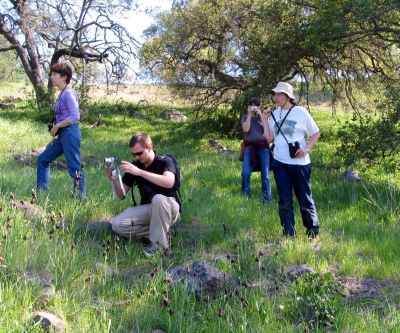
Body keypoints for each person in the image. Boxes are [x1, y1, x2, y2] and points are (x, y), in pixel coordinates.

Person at [104, 132, 181, 257]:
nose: (137, 156)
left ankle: (159, 248)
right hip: (149, 209)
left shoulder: (165, 161)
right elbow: (120, 195)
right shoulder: (136, 166)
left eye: (139, 153)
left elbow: (169, 182)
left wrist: (140, 172)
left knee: (158, 199)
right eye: (133, 154)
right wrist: (113, 180)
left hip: (169, 207)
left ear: (149, 148)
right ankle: (162, 233)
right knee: (117, 225)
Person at [262, 82, 320, 240]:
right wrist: (265, 120)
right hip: (280, 163)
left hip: (299, 165)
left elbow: (315, 133)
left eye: (279, 94)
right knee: (284, 201)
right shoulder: (274, 114)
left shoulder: (300, 112)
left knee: (305, 200)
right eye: (274, 94)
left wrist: (306, 149)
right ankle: (289, 234)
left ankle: (313, 235)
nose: (276, 97)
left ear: (288, 96)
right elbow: (269, 139)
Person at [36, 63, 86, 199]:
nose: (51, 77)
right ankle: (41, 194)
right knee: (43, 159)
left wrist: (57, 126)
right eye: (51, 74)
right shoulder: (62, 93)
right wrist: (57, 135)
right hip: (63, 134)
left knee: (74, 168)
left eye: (54, 75)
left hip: (70, 132)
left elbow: (75, 116)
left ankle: (80, 198)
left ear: (64, 77)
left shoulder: (69, 93)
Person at [241, 97, 272, 204]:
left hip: (263, 148)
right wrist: (249, 115)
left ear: (259, 106)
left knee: (265, 175)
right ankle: (244, 197)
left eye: (256, 105)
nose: (254, 107)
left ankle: (267, 200)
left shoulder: (263, 118)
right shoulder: (245, 117)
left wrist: (261, 116)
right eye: (251, 105)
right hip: (250, 148)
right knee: (245, 173)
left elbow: (267, 130)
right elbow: (246, 129)